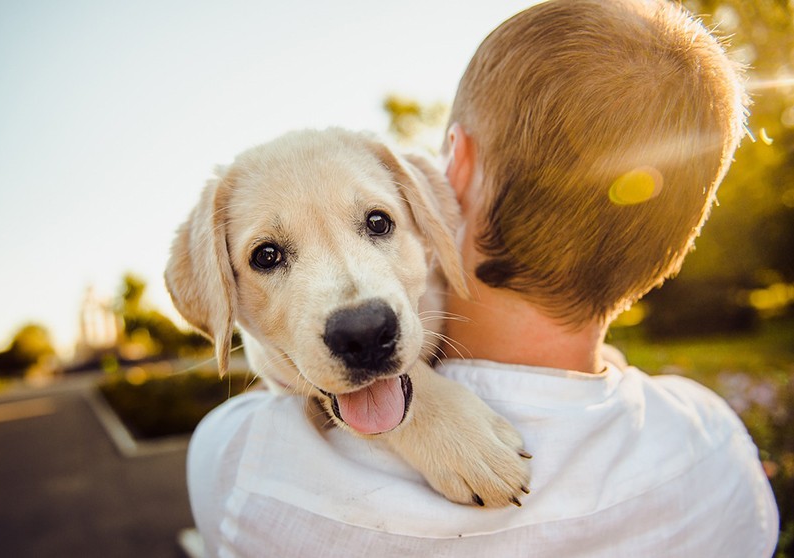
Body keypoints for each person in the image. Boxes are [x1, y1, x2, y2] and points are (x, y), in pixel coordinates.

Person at [186, 0, 780, 556]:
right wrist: (420, 409)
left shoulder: (243, 465)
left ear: (453, 172)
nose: (358, 311)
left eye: (375, 222)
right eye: (269, 257)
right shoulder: (719, 452)